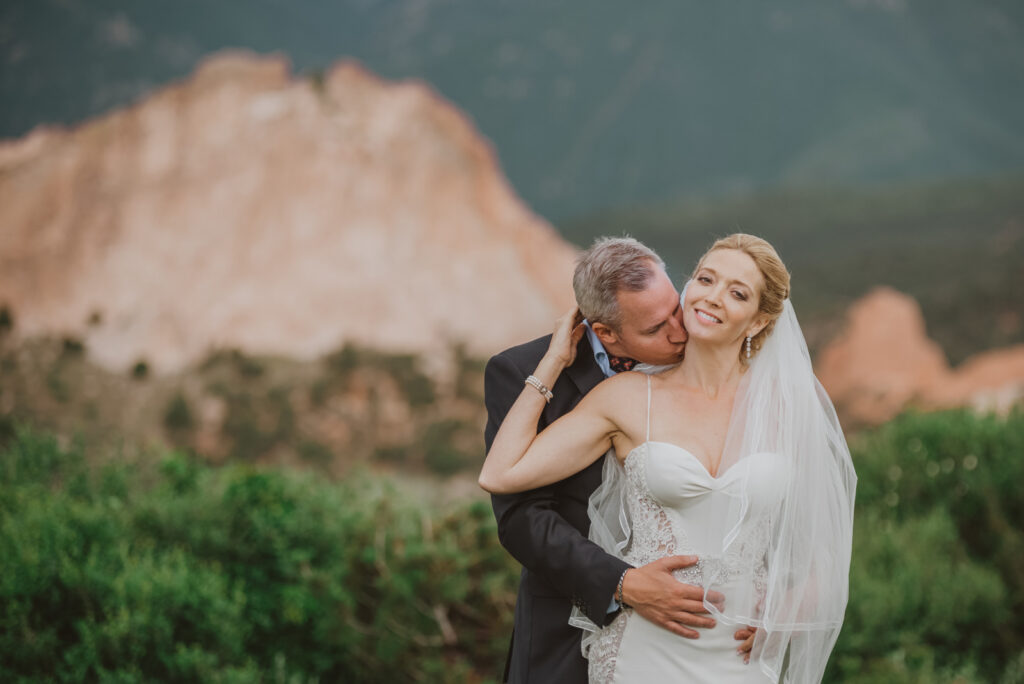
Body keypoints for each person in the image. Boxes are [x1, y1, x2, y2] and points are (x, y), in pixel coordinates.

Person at [481, 234, 857, 683]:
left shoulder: (790, 403)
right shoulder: (625, 395)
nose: (711, 299)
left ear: (758, 321)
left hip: (740, 653)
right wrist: (553, 361)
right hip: (642, 644)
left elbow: (825, 541)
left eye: (736, 293)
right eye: (705, 278)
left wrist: (787, 613)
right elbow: (503, 477)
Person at [485, 237, 736, 683]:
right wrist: (623, 582)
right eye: (656, 329)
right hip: (569, 623)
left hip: (697, 627)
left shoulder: (707, 359)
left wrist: (769, 600)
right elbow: (521, 517)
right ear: (606, 333)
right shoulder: (517, 370)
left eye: (676, 310)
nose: (679, 334)